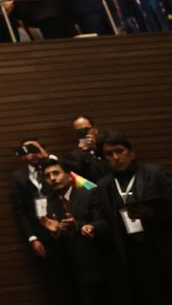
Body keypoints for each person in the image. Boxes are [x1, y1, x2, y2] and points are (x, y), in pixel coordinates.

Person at [97, 131, 172, 301]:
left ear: (131, 152)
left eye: (119, 151)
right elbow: (105, 219)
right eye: (109, 154)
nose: (115, 157)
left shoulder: (155, 173)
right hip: (128, 257)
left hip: (161, 251)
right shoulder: (104, 185)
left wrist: (153, 213)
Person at [38, 158, 111, 305]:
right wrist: (55, 231)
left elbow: (104, 223)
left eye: (56, 173)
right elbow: (52, 239)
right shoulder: (48, 203)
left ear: (69, 175)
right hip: (69, 271)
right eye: (48, 176)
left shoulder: (89, 193)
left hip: (96, 265)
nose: (52, 178)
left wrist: (83, 226)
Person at [9, 140, 51, 261]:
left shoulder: (55, 169)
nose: (33, 153)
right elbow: (20, 211)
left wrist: (45, 156)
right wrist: (33, 238)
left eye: (35, 149)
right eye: (28, 150)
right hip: (40, 233)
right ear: (23, 155)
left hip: (63, 228)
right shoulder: (18, 177)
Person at [63, 115, 109, 183]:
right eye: (80, 131)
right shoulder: (73, 157)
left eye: (86, 129)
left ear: (95, 129)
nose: (84, 133)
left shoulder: (108, 149)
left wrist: (96, 147)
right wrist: (85, 153)